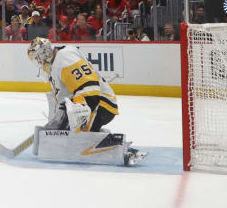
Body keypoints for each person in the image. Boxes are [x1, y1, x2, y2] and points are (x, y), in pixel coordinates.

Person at [27, 37, 145, 166]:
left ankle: (121, 151)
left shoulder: (64, 57)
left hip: (100, 105)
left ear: (45, 53)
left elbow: (89, 88)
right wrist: (55, 126)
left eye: (38, 58)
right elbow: (62, 101)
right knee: (67, 138)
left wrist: (79, 116)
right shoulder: (56, 63)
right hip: (88, 104)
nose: (39, 62)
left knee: (77, 142)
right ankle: (104, 140)